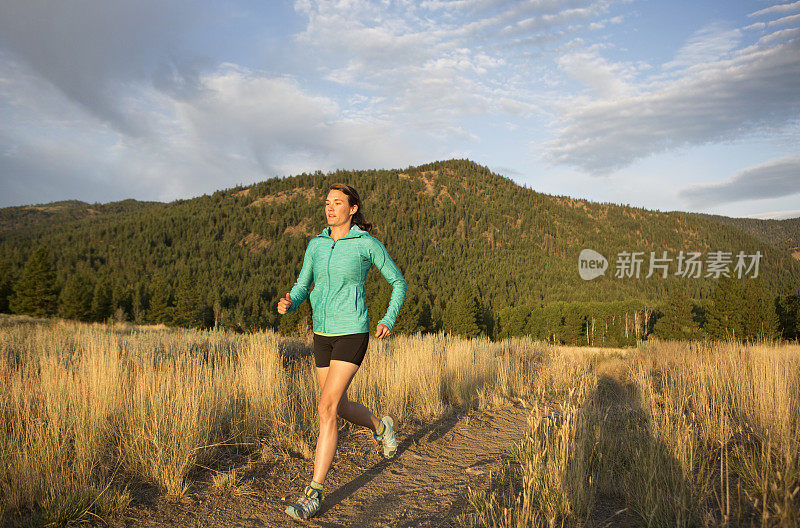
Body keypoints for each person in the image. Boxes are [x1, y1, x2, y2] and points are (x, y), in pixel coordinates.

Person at [277, 183, 407, 521]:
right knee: (341, 406)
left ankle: (313, 494)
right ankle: (381, 427)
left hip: (353, 331)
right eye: (327, 203)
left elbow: (398, 282)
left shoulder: (366, 244)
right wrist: (290, 303)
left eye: (338, 203)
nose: (330, 208)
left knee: (326, 408)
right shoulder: (316, 245)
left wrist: (388, 318)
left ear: (352, 209)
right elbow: (304, 285)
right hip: (321, 333)